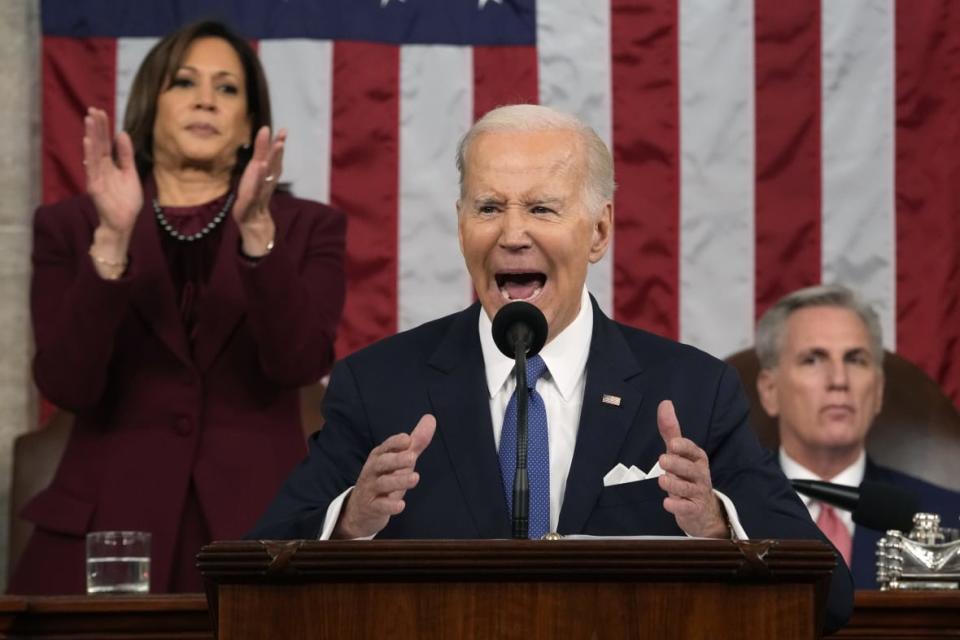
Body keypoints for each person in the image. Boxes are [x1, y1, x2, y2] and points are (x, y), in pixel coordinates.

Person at [249, 104, 853, 632]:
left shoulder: (694, 391)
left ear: (599, 231)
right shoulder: (379, 387)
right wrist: (350, 525)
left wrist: (719, 527)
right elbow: (253, 578)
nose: (513, 234)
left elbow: (831, 598)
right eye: (489, 208)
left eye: (541, 207)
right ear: (461, 227)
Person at [10, 20, 346, 594]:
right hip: (105, 536)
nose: (205, 99)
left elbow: (297, 366)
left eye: (228, 88)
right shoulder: (71, 227)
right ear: (151, 106)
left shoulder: (307, 228)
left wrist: (258, 237)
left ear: (248, 126)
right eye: (184, 82)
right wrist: (111, 244)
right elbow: (67, 385)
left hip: (255, 538)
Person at [755, 284, 960, 589]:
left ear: (877, 391)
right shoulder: (722, 513)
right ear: (770, 391)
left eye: (855, 359)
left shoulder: (948, 518)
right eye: (813, 359)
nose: (839, 380)